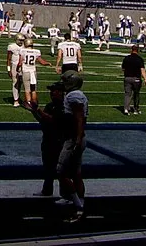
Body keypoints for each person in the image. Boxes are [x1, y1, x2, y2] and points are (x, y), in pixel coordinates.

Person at [55, 72, 88, 220]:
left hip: (72, 139)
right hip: (75, 138)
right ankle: (80, 203)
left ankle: (78, 205)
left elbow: (79, 118)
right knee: (76, 174)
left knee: (61, 172)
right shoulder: (76, 94)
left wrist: (77, 138)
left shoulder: (73, 96)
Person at [27, 81, 66, 197]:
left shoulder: (63, 106)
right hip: (48, 139)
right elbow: (43, 120)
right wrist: (34, 111)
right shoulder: (50, 105)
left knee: (60, 169)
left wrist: (38, 110)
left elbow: (54, 120)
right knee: (48, 167)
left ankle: (64, 193)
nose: (52, 93)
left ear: (60, 92)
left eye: (54, 91)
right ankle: (47, 189)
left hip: (58, 140)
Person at [121, 44, 146, 115]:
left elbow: (123, 69)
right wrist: (145, 79)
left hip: (127, 78)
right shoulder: (139, 59)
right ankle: (136, 109)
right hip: (136, 78)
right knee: (136, 94)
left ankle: (126, 109)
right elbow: (142, 70)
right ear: (137, 50)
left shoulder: (126, 58)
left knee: (127, 94)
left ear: (131, 50)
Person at [7, 34, 25, 108]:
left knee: (22, 83)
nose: (21, 42)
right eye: (20, 40)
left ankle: (20, 98)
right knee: (15, 83)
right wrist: (8, 69)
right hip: (14, 66)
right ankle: (16, 100)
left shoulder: (25, 46)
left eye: (22, 40)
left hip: (24, 66)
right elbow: (8, 59)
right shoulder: (12, 46)